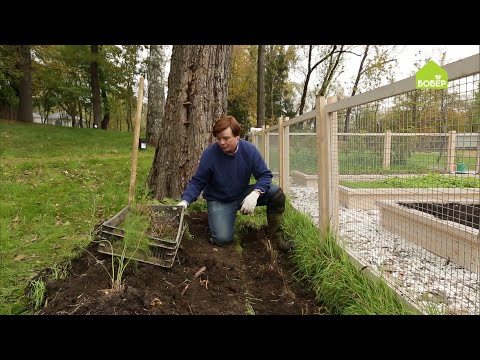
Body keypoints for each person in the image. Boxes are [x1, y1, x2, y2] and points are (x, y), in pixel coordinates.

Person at [177, 115, 291, 252]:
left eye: (226, 138)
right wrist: (185, 201)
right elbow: (198, 181)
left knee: (276, 193)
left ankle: (277, 239)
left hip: (242, 194)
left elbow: (265, 175)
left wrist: (255, 194)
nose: (221, 143)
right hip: (219, 199)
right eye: (218, 139)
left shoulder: (249, 150)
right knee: (222, 239)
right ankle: (218, 221)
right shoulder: (210, 154)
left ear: (237, 136)